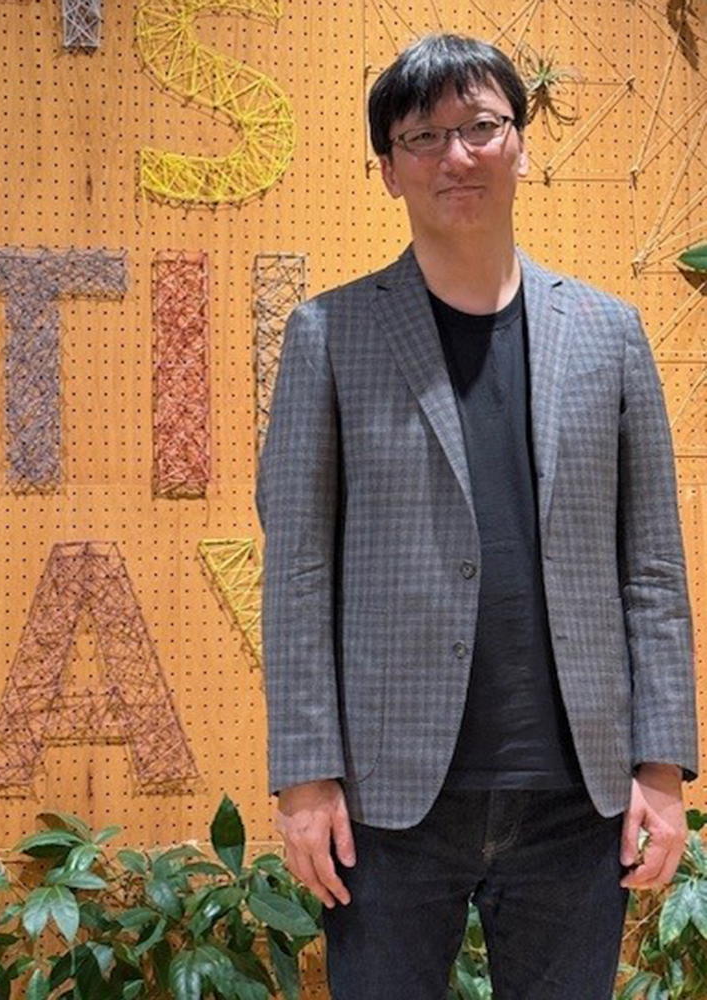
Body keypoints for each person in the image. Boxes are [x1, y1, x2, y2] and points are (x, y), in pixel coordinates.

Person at [255, 33, 700, 1000]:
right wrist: (304, 777)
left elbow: (653, 570)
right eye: (424, 136)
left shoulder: (609, 334)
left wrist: (661, 771)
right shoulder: (328, 336)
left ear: (521, 145)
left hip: (574, 799)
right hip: (386, 799)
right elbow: (295, 570)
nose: (456, 156)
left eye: (481, 127)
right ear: (387, 169)